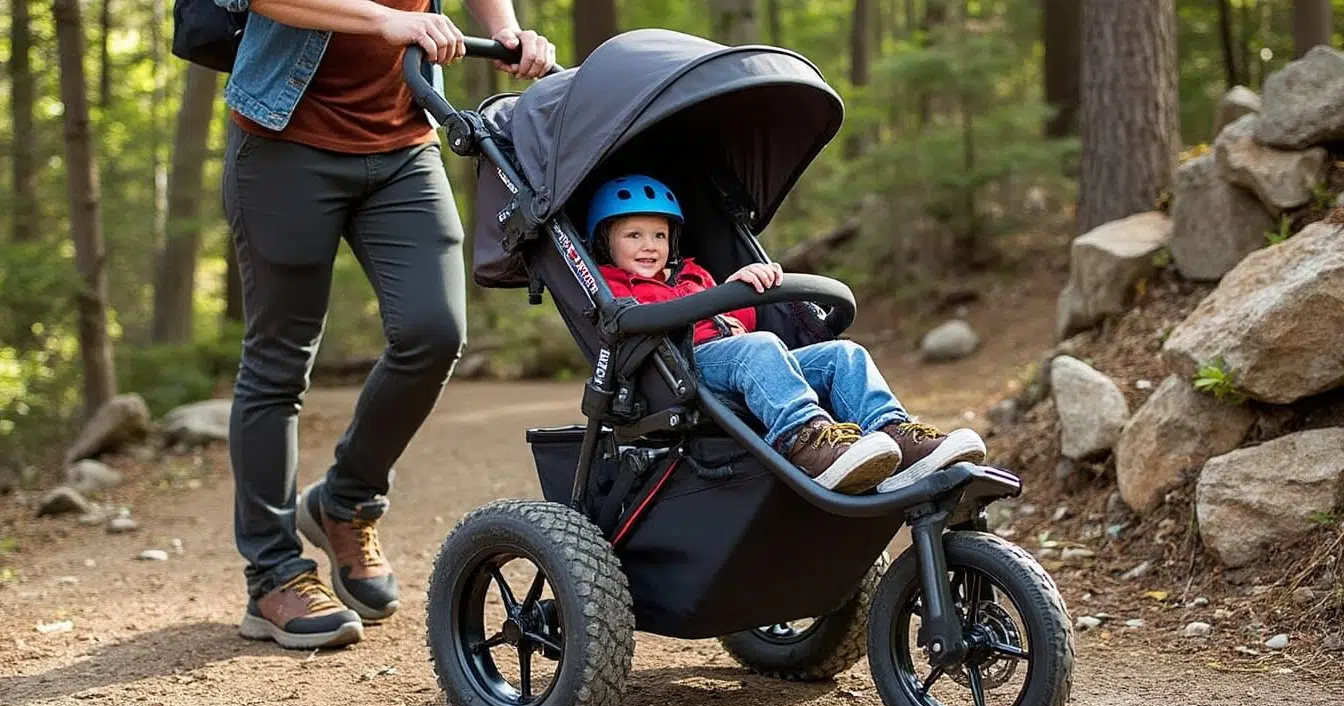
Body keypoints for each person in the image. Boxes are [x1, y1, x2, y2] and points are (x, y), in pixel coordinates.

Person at [215, 0, 555, 650]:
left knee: (434, 331)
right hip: (284, 145)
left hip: (403, 143)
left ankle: (345, 500)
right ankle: (274, 576)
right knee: (278, 364)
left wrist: (505, 31)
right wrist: (384, 20)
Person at [589, 175, 987, 495]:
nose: (649, 246)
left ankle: (895, 435)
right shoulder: (612, 287)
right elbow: (636, 330)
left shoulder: (695, 276)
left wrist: (740, 286)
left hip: (744, 361)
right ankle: (805, 439)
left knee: (843, 354)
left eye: (659, 235)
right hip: (679, 371)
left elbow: (739, 321)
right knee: (759, 348)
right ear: (606, 241)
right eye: (634, 235)